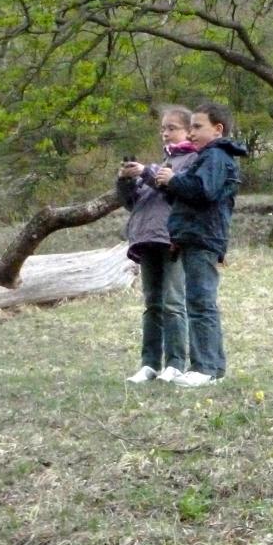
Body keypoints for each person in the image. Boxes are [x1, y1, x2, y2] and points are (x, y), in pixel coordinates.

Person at [154, 102, 247, 388]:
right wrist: (169, 186)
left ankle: (205, 367)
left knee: (201, 303)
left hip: (203, 237)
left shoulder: (216, 156)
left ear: (217, 129)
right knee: (198, 302)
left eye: (197, 126)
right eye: (191, 126)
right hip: (194, 236)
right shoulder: (207, 157)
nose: (191, 133)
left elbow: (203, 191)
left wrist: (175, 180)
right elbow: (189, 196)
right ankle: (210, 367)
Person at [117, 106, 198, 384]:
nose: (165, 133)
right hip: (147, 238)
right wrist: (126, 181)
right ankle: (149, 364)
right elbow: (133, 202)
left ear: (189, 130)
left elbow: (180, 190)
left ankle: (175, 363)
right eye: (163, 128)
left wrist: (146, 172)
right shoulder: (161, 163)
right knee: (152, 304)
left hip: (173, 239)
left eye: (172, 128)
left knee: (174, 302)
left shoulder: (192, 161)